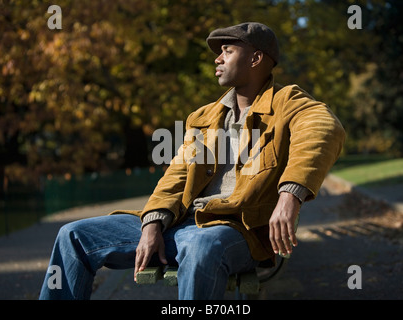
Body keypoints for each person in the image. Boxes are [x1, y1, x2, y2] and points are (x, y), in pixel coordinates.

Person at [39, 22, 345, 300]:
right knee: (74, 235)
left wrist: (290, 193)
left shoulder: (287, 101)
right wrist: (152, 223)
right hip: (179, 225)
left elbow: (324, 129)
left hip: (234, 231)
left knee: (203, 246)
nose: (218, 58)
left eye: (228, 50)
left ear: (255, 59)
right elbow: (176, 176)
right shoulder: (204, 116)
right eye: (219, 52)